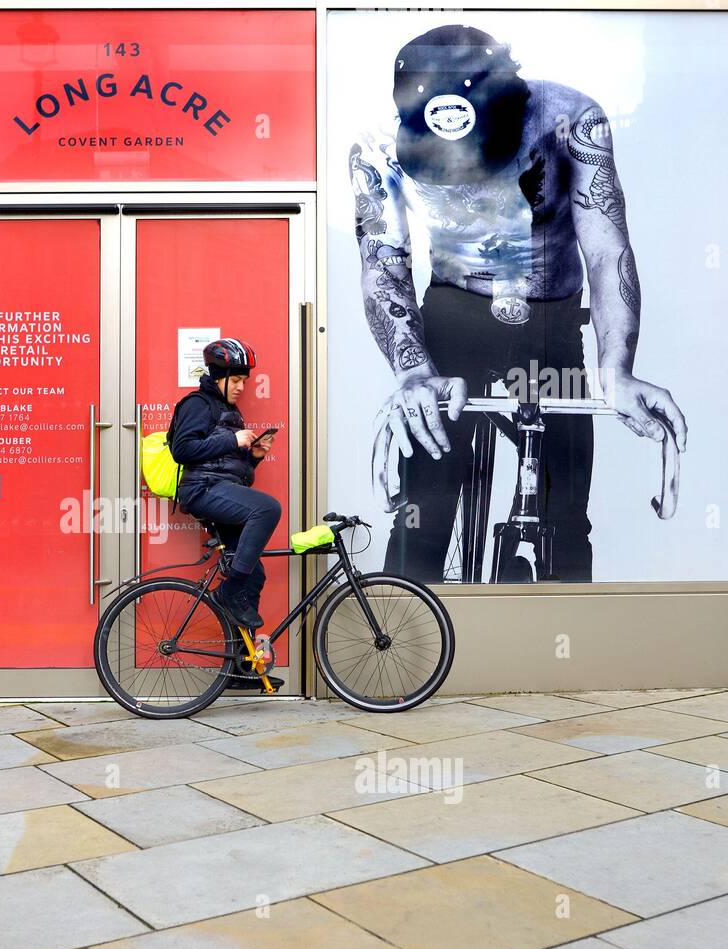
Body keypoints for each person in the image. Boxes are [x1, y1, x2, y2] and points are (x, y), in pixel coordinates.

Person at [350, 24, 687, 581]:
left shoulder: (570, 120)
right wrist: (413, 373)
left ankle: (564, 654)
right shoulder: (378, 145)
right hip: (456, 309)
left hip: (550, 318)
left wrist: (617, 371)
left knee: (568, 508)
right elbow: (384, 263)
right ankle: (405, 656)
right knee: (422, 513)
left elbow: (607, 253)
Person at [169, 338, 282, 661]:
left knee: (253, 573)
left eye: (244, 381)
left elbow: (232, 470)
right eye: (235, 380)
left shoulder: (228, 410)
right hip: (201, 489)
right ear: (217, 377)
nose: (241, 387)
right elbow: (183, 450)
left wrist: (254, 456)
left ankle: (242, 666)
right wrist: (233, 439)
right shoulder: (197, 404)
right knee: (267, 508)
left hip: (218, 486)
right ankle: (229, 592)